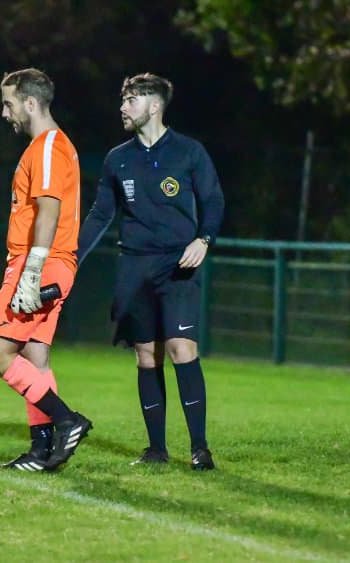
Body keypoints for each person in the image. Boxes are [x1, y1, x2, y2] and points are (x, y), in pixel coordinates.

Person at [77, 73, 224, 470]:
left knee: (182, 348)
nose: (122, 108)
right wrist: (71, 257)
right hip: (134, 265)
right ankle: (156, 449)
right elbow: (100, 214)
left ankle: (200, 448)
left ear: (154, 105)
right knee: (146, 354)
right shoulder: (117, 158)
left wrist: (204, 239)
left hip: (177, 265)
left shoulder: (189, 152)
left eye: (131, 100)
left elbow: (213, 199)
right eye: (123, 100)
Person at [0, 68, 92, 472]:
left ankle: (67, 421)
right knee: (35, 357)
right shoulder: (54, 146)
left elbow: (48, 210)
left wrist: (32, 270)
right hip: (54, 263)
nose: (4, 112)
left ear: (30, 103)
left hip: (39, 264)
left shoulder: (47, 147)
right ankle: (41, 451)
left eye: (8, 103)